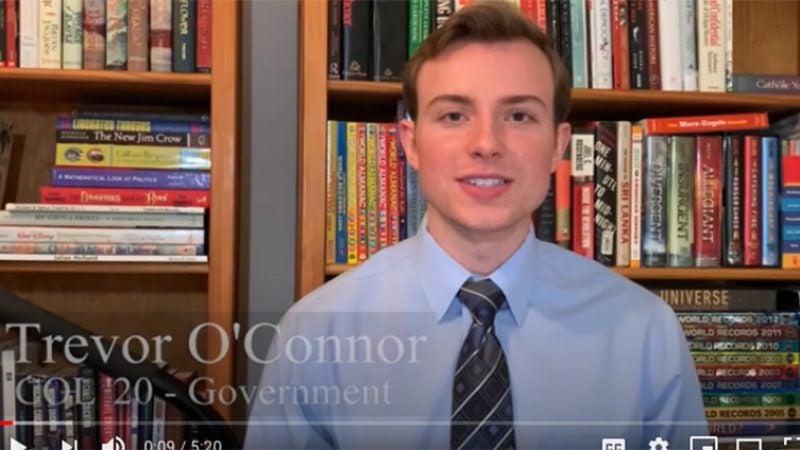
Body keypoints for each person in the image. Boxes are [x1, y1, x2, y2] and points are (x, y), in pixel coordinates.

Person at [244, 2, 707, 449]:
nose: (486, 143)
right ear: (412, 142)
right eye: (454, 115)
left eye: (519, 115)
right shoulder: (318, 332)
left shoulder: (646, 333)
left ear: (557, 145)